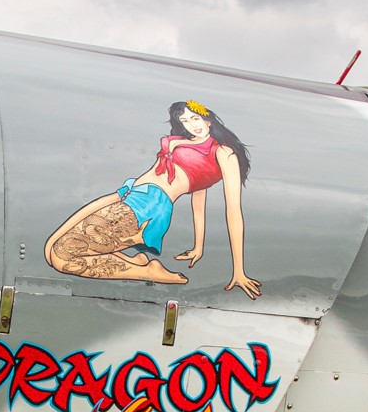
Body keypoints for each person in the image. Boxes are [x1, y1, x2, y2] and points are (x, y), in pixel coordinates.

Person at [44, 100, 261, 299]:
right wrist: (198, 247)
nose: (192, 125)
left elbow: (233, 210)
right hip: (132, 194)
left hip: (148, 206)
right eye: (185, 121)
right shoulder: (186, 142)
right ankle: (136, 262)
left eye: (195, 118)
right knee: (56, 255)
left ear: (208, 119)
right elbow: (198, 204)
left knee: (62, 257)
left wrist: (239, 271)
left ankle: (147, 271)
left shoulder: (224, 153)